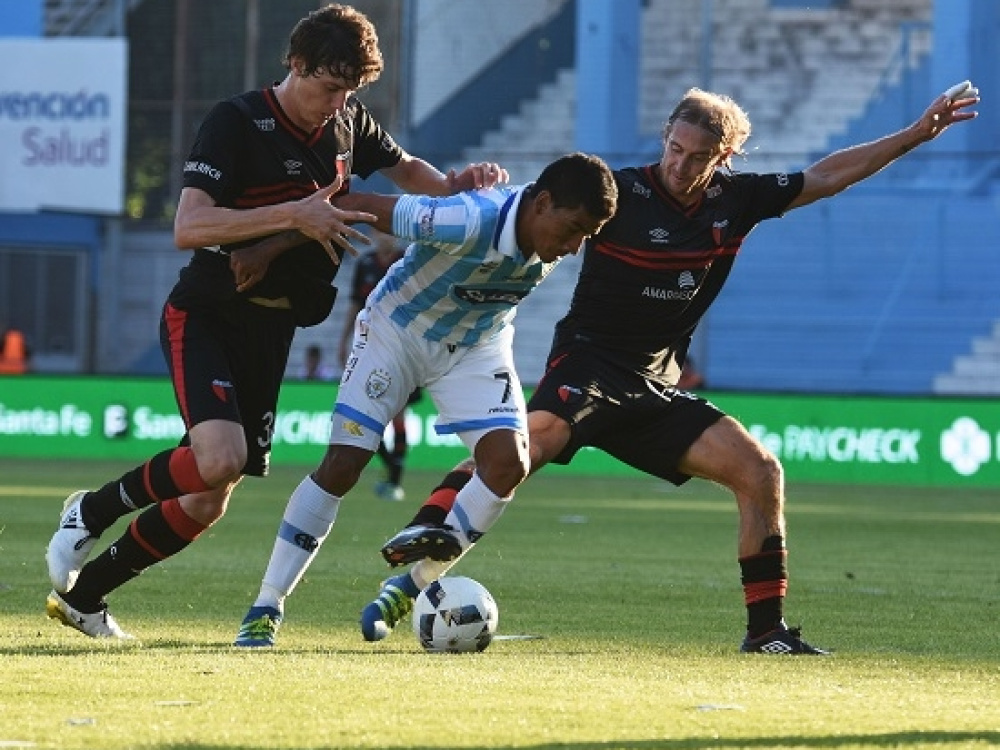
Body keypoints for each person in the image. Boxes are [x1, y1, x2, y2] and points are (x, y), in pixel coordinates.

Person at [366, 83, 981, 654]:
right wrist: (468, 187)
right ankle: (418, 548)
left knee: (760, 471)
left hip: (654, 384)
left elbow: (826, 176)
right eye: (675, 148)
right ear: (665, 137)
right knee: (530, 444)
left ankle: (767, 632)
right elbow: (536, 211)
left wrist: (915, 133)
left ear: (726, 155)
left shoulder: (737, 202)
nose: (681, 165)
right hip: (590, 360)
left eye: (698, 156)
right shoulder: (620, 194)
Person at [43, 2, 507, 640]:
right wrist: (293, 215)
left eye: (350, 90)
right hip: (207, 311)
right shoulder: (236, 122)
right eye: (328, 87)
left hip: (272, 329)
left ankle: (85, 598)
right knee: (219, 458)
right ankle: (90, 510)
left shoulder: (348, 121)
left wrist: (458, 185)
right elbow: (191, 225)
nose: (337, 101)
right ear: (295, 64)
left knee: (211, 494)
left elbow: (408, 171)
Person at [232, 151, 618, 647]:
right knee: (344, 464)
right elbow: (356, 204)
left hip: (476, 345)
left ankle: (407, 588)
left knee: (507, 463)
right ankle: (267, 604)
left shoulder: (548, 236)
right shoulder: (468, 217)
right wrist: (269, 247)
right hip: (397, 332)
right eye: (572, 229)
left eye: (587, 237)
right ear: (542, 204)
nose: (573, 247)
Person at [339, 227, 420, 501]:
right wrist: (344, 339)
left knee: (398, 412)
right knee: (369, 412)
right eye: (379, 233)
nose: (384, 237)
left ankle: (395, 480)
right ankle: (391, 470)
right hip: (369, 344)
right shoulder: (365, 264)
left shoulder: (407, 260)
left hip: (402, 344)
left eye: (388, 232)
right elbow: (354, 303)